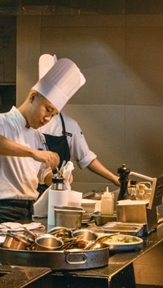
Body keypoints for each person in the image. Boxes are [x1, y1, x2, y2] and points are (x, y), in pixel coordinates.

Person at [0, 58, 85, 233]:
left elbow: (43, 175)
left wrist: (59, 179)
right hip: (0, 212)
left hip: (28, 213)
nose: (47, 118)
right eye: (47, 109)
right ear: (33, 97)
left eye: (53, 115)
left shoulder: (37, 136)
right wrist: (32, 153)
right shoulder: (1, 120)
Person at [37, 54, 119, 189]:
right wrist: (52, 179)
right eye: (46, 106)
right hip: (30, 194)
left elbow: (86, 157)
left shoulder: (70, 125)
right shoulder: (26, 125)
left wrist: (114, 179)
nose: (46, 118)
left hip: (60, 193)